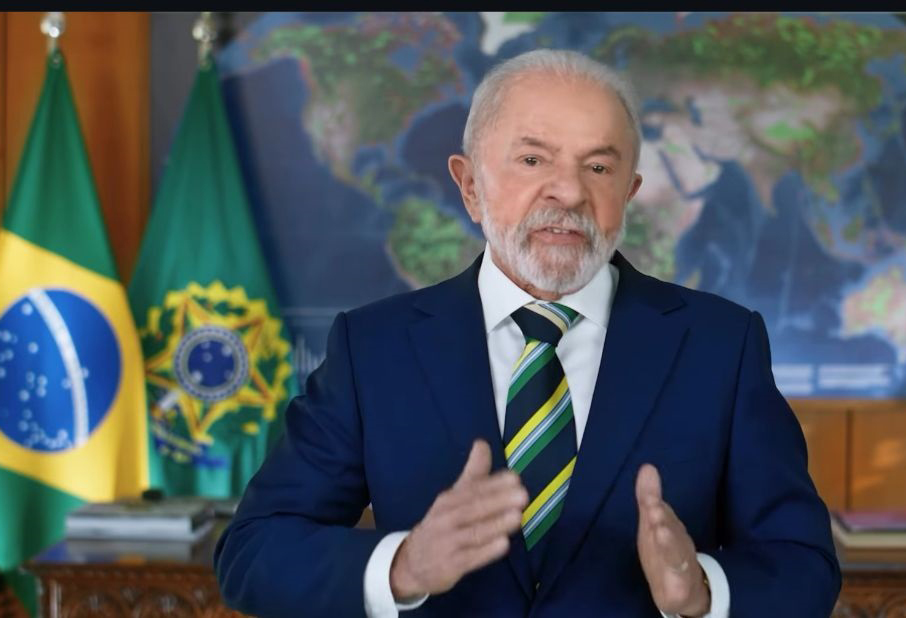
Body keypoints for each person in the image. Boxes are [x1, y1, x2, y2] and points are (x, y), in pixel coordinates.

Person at [214, 48, 840, 617]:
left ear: (629, 193)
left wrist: (703, 590)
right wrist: (403, 567)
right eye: (533, 159)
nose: (568, 191)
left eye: (599, 166)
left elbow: (803, 565)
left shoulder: (721, 346)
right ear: (470, 187)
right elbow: (254, 551)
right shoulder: (373, 349)